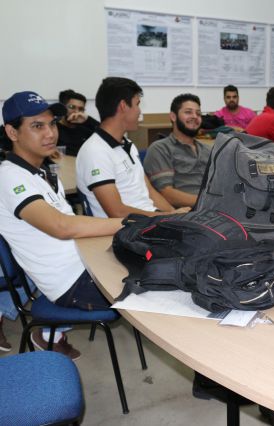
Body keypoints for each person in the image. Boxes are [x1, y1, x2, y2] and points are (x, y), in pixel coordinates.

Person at [0, 91, 127, 359]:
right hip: (71, 284)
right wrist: (127, 223)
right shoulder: (9, 177)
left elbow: (73, 223)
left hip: (87, 263)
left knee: (159, 262)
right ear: (12, 132)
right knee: (160, 285)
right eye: (37, 126)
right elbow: (61, 226)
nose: (50, 133)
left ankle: (51, 333)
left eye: (52, 124)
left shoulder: (42, 171)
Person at [76, 77, 182, 218]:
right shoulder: (95, 151)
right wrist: (165, 218)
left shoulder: (128, 144)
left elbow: (149, 191)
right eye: (137, 104)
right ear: (123, 106)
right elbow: (117, 212)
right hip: (128, 226)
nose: (139, 112)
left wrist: (175, 215)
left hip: (150, 219)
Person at [144, 94, 211, 208]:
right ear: (173, 117)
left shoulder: (208, 149)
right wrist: (209, 203)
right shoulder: (161, 149)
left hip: (216, 210)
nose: (195, 116)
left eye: (198, 113)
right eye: (188, 112)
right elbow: (167, 194)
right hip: (186, 212)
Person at [56, 89, 100, 156]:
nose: (76, 112)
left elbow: (106, 135)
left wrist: (88, 120)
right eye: (72, 107)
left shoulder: (85, 127)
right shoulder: (54, 128)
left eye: (81, 109)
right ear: (63, 107)